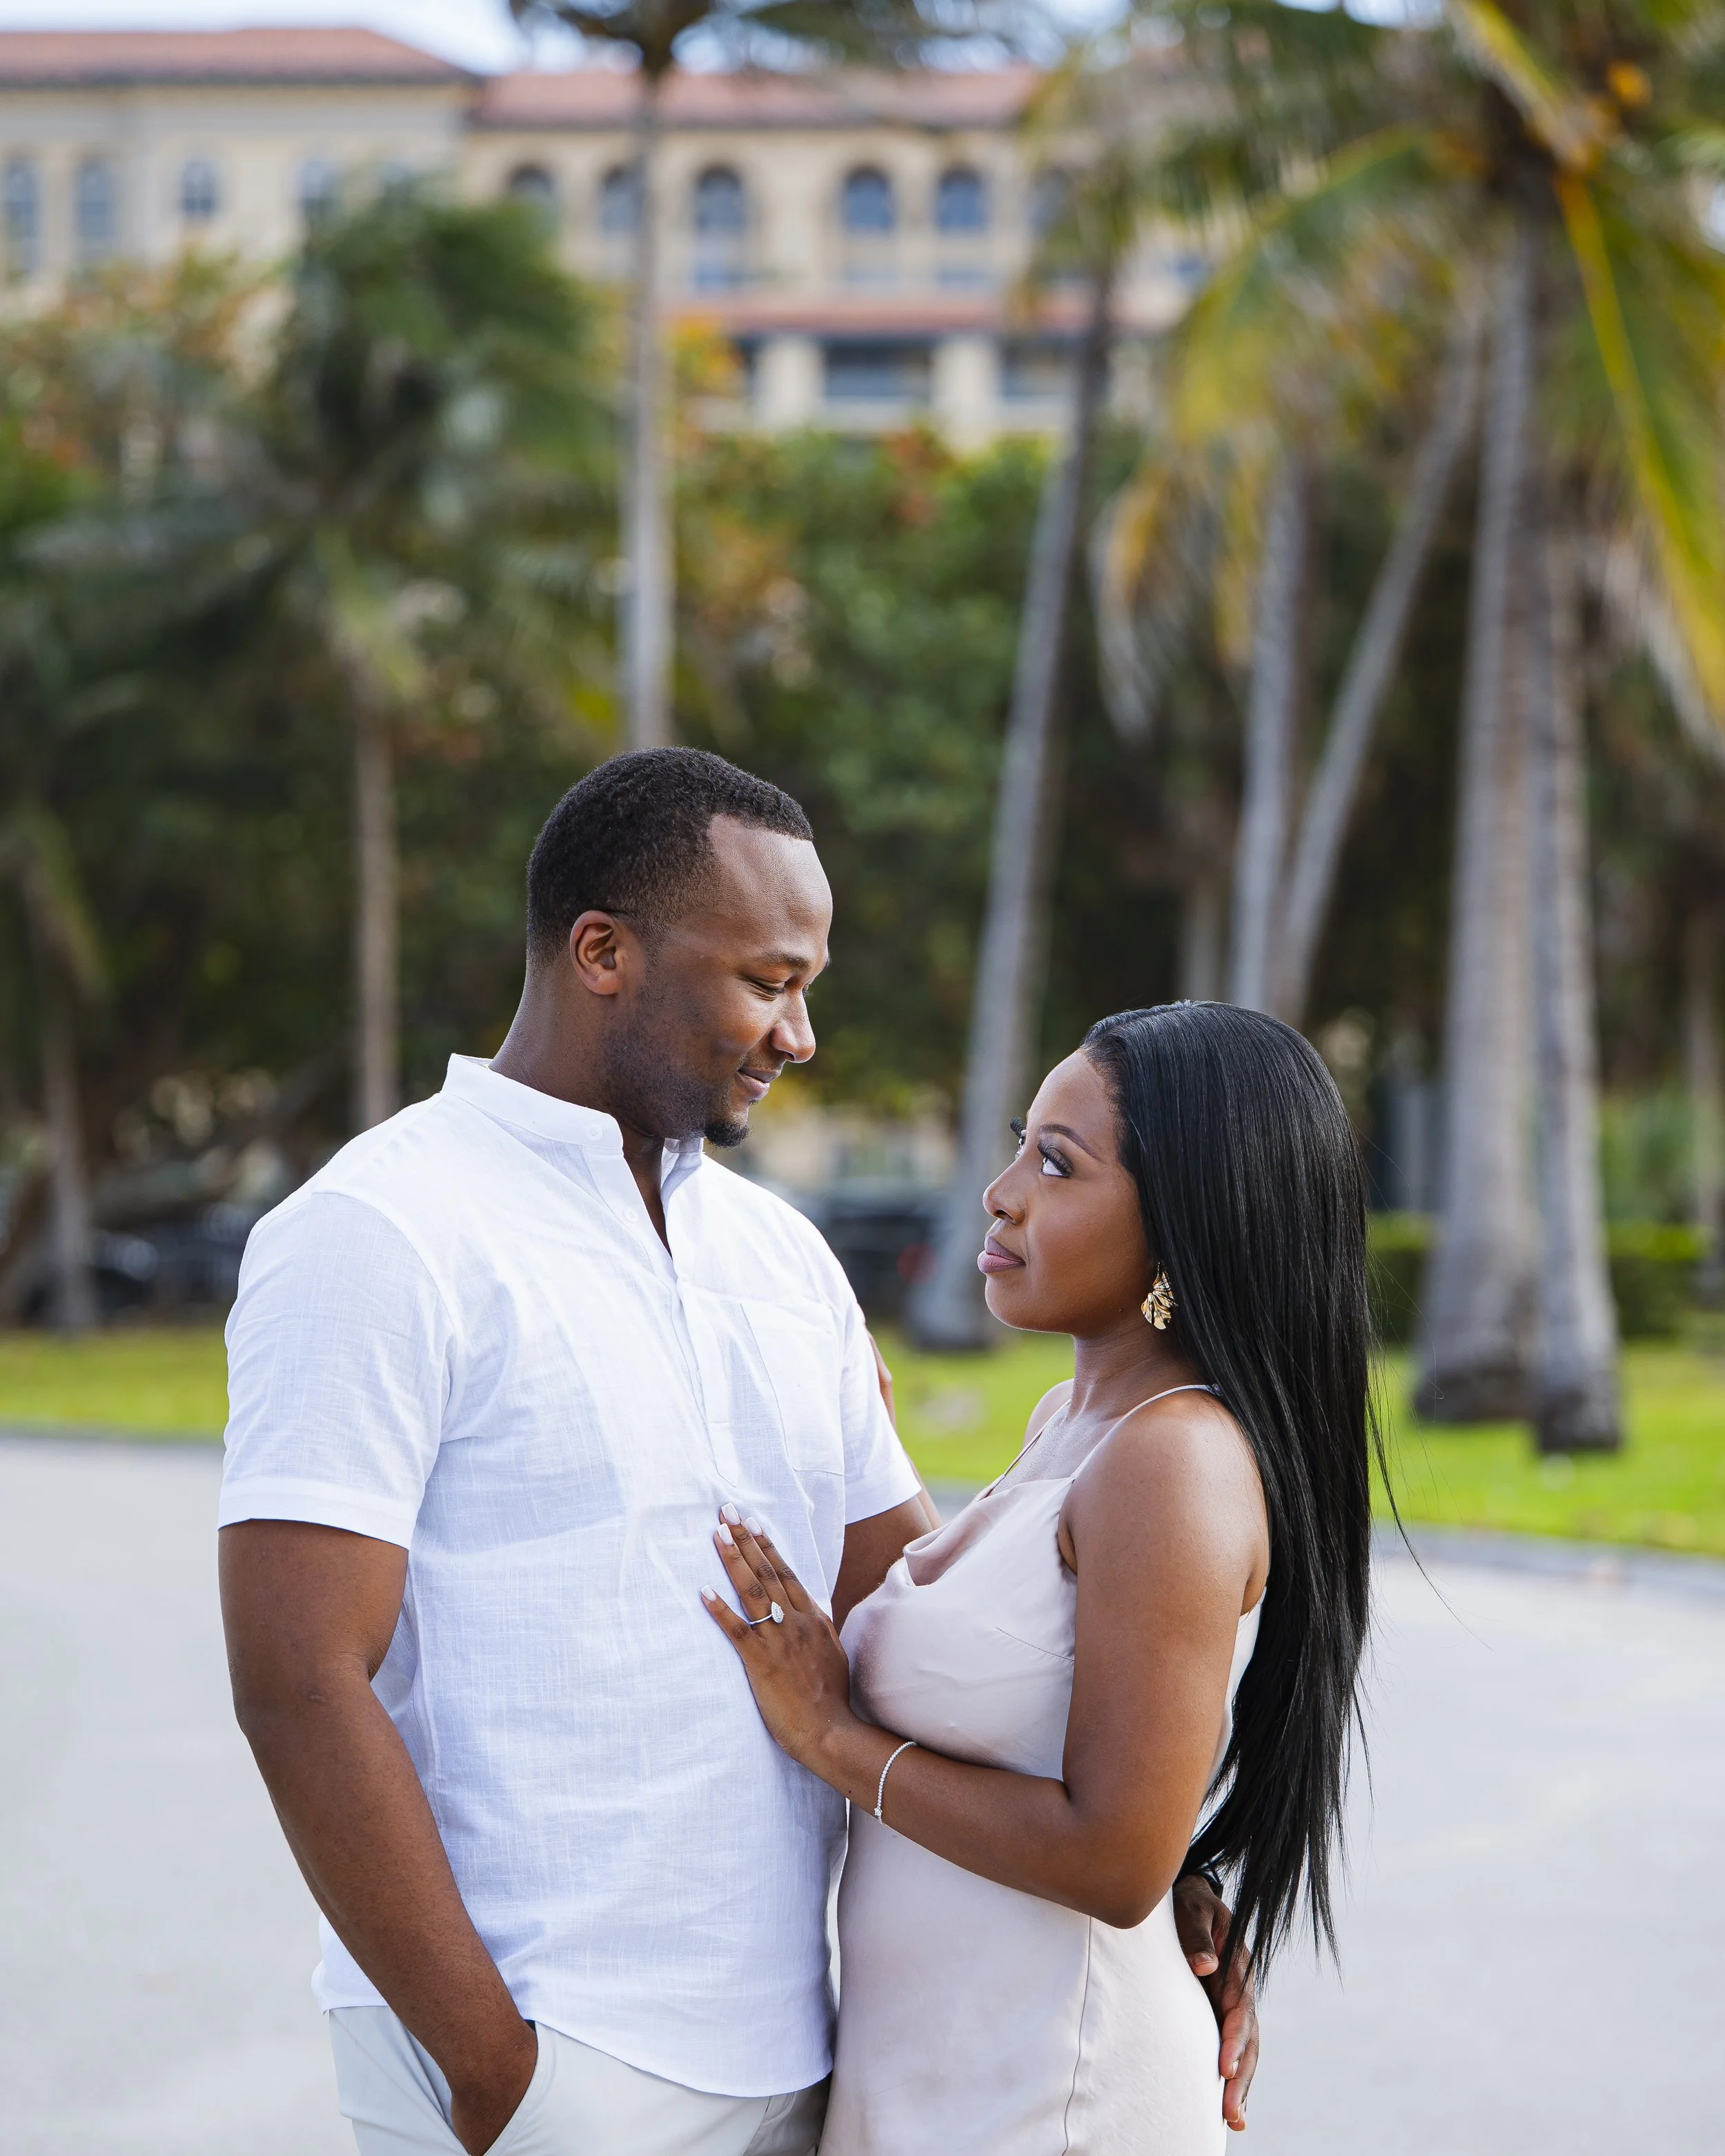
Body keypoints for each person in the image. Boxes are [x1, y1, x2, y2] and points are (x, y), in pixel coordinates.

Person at [218, 749, 1256, 2156]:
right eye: (767, 981)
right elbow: (295, 1677)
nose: (801, 1033)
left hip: (808, 2056)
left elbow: (930, 1630)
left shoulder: (779, 1256)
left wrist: (1157, 1865)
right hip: (548, 2052)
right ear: (602, 952)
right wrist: (490, 2070)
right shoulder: (380, 1232)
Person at [706, 1000, 1374, 2152]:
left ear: (1183, 1227)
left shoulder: (1172, 1462)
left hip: (1049, 2093)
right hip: (944, 2065)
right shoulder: (1072, 1420)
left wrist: (832, 1740)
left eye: (1056, 1165)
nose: (1000, 1189)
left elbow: (1117, 1859)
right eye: (1022, 1142)